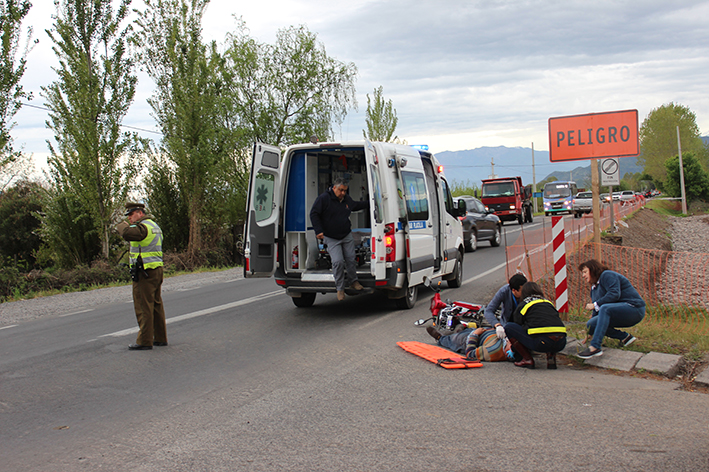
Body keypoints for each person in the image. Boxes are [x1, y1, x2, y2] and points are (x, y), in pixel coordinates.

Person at [115, 202, 167, 351]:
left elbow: (126, 233)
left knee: (143, 306)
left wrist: (122, 224)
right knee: (156, 305)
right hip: (156, 269)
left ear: (140, 213)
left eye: (131, 214)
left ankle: (145, 340)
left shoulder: (142, 228)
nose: (129, 218)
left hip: (144, 272)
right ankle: (160, 338)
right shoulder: (154, 226)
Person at [310, 178, 369, 301]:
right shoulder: (324, 199)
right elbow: (314, 213)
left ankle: (353, 281)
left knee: (351, 259)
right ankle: (340, 288)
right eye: (341, 190)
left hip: (346, 235)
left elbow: (355, 206)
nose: (343, 193)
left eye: (345, 191)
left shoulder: (346, 199)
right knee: (338, 262)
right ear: (334, 188)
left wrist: (371, 202)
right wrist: (318, 230)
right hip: (331, 237)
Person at [577, 259, 645, 359]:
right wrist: (591, 331)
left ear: (593, 269)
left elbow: (614, 294)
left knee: (605, 308)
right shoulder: (594, 288)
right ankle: (625, 338)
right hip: (618, 312)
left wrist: (595, 304)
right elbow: (597, 310)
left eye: (585, 272)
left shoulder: (607, 275)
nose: (583, 275)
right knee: (591, 323)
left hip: (634, 309)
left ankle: (595, 347)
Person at [504, 281, 567, 369]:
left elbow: (517, 324)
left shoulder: (525, 304)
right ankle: (551, 357)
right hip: (561, 342)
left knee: (509, 327)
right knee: (550, 329)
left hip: (541, 343)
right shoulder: (548, 302)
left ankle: (527, 359)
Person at [425, 325, 514, 362]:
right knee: (465, 331)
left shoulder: (492, 351)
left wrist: (475, 334)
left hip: (470, 341)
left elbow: (470, 354)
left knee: (452, 340)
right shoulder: (509, 340)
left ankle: (440, 338)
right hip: (482, 332)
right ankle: (459, 331)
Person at [483, 273, 527, 340]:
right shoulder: (503, 291)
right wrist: (497, 325)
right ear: (514, 290)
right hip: (507, 325)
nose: (525, 292)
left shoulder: (529, 292)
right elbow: (488, 311)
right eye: (523, 291)